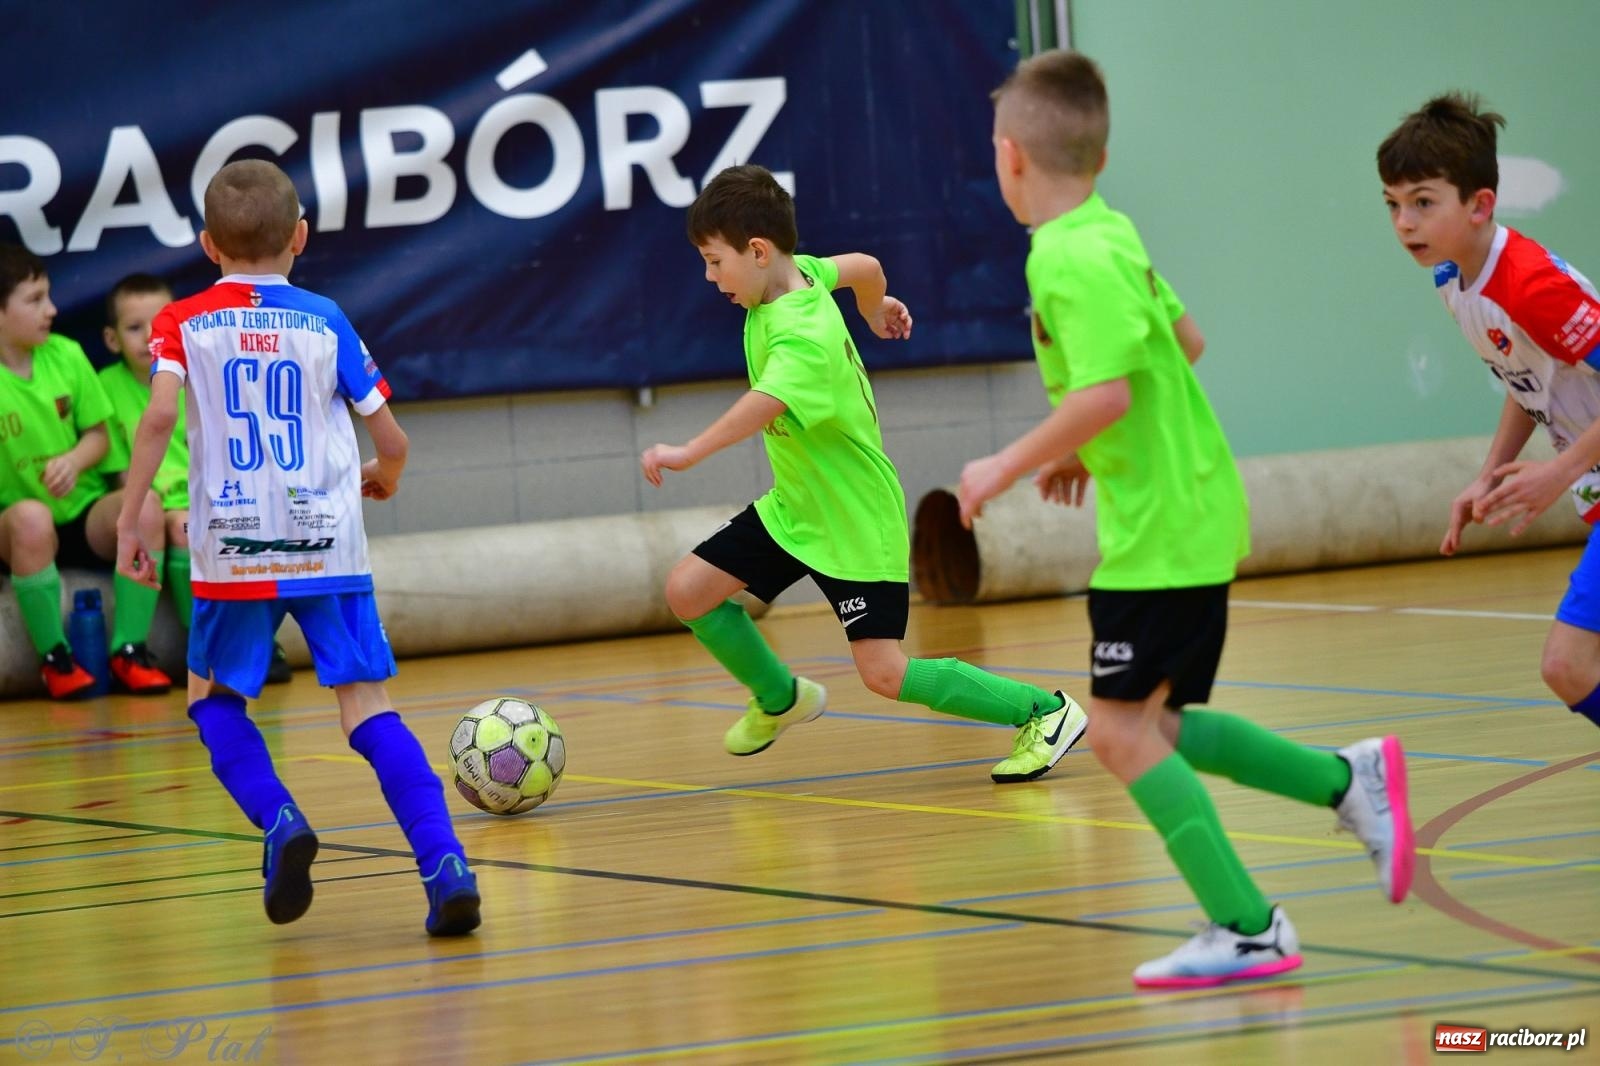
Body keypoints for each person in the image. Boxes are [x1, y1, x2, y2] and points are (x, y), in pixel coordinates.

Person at [956, 50, 1413, 988]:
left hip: (1163, 529)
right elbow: (1185, 345)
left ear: (1009, 158)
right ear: (1101, 157)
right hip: (1183, 510)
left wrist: (1008, 462)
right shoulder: (1111, 233)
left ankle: (1249, 926)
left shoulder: (1067, 256)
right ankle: (1345, 781)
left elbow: (1113, 391)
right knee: (1157, 727)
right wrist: (1089, 450)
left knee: (1123, 735)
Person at [114, 159, 479, 936]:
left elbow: (155, 422)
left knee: (213, 703)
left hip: (233, 547)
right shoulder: (326, 318)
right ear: (301, 237)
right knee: (368, 710)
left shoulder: (180, 322)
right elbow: (390, 435)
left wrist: (130, 516)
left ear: (209, 244)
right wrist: (388, 473)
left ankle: (282, 822)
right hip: (329, 543)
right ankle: (445, 865)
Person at [641, 164, 1088, 783]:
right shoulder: (799, 275)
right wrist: (877, 309)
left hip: (854, 519)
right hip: (797, 508)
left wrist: (687, 452)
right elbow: (864, 267)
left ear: (759, 251)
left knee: (884, 673)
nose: (710, 276)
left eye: (716, 262)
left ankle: (1045, 711)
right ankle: (780, 697)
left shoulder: (805, 333)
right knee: (688, 591)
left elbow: (765, 403)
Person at [1381, 93, 1600, 731]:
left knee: (1569, 664)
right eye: (1392, 204)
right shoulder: (1454, 279)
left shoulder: (1531, 285)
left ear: (1480, 205)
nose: (1404, 222)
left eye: (1423, 202)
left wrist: (1558, 474)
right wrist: (1490, 472)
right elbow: (1528, 378)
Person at [99, 273, 293, 684]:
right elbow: (120, 475)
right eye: (135, 328)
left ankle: (249, 640)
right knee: (180, 526)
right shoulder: (106, 387)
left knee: (232, 521)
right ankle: (201, 646)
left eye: (158, 323)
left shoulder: (200, 379)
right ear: (112, 339)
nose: (150, 337)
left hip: (205, 498)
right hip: (157, 506)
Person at [0, 243, 172, 699]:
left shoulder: (68, 355)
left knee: (147, 507)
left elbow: (99, 436)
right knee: (31, 518)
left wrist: (75, 460)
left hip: (83, 513)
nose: (52, 310)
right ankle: (56, 660)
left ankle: (129, 650)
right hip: (17, 527)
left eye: (49, 296)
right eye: (35, 300)